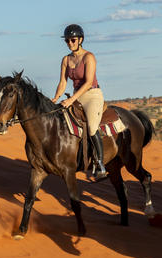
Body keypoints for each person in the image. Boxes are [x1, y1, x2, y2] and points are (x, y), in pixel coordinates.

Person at [51, 24, 107, 180]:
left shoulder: (89, 57)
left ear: (80, 39)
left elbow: (89, 82)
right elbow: (63, 82)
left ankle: (100, 164)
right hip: (76, 96)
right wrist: (55, 98)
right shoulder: (66, 60)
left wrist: (71, 100)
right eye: (67, 41)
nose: (70, 43)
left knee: (92, 127)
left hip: (92, 95)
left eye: (73, 40)